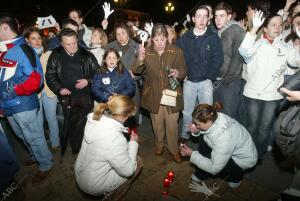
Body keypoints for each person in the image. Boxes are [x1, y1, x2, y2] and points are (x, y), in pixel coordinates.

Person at [239, 12, 300, 160]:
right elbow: (244, 51)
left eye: (280, 25)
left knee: (264, 129)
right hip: (252, 94)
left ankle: (258, 155)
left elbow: (295, 62)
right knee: (252, 127)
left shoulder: (285, 47)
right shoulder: (256, 44)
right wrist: (254, 29)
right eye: (273, 24)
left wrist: (298, 42)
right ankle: (248, 155)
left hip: (273, 97)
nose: (278, 28)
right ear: (265, 28)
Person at [0, 15, 53, 184]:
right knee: (22, 136)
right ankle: (35, 156)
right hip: (8, 106)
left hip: (23, 105)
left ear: (4, 28)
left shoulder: (23, 48)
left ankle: (45, 164)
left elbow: (36, 79)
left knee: (34, 137)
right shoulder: (3, 49)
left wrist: (13, 90)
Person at [132, 23, 186, 162]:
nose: (160, 43)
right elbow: (136, 71)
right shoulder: (147, 51)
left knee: (172, 124)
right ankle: (159, 144)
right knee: (157, 123)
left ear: (167, 38)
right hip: (153, 93)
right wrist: (140, 58)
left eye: (162, 39)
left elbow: (184, 70)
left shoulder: (176, 51)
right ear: (152, 39)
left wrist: (178, 72)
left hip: (172, 93)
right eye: (156, 40)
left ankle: (174, 150)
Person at [74, 95, 142, 199]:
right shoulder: (115, 139)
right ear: (123, 115)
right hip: (93, 185)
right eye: (128, 115)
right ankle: (112, 196)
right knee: (138, 161)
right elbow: (128, 171)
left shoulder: (94, 118)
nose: (128, 118)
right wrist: (133, 143)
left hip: (80, 171)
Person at [46, 28, 99, 154]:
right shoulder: (56, 55)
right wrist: (59, 88)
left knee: (85, 122)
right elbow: (50, 75)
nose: (72, 47)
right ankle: (76, 147)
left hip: (85, 97)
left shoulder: (86, 55)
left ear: (77, 40)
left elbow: (98, 73)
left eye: (74, 43)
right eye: (68, 44)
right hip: (67, 98)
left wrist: (88, 81)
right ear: (61, 44)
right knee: (71, 123)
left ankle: (82, 147)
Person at [180, 104, 257, 188]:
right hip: (228, 146)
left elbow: (214, 168)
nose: (195, 125)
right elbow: (207, 132)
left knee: (217, 165)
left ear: (209, 121)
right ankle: (201, 173)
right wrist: (196, 131)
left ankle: (236, 177)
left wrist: (192, 155)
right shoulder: (215, 116)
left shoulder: (224, 140)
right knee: (203, 141)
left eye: (198, 124)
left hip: (243, 159)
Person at [176, 5, 223, 141]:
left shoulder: (213, 38)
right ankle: (185, 135)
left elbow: (218, 58)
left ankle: (206, 139)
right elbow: (177, 57)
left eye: (205, 16)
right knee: (187, 112)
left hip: (205, 82)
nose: (201, 19)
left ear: (208, 19)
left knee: (206, 113)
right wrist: (182, 73)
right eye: (198, 16)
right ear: (193, 18)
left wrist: (210, 77)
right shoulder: (185, 38)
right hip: (189, 82)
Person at [23, 27, 60, 152]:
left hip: (50, 92)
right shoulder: (25, 56)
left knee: (52, 118)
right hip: (34, 94)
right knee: (37, 123)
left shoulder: (49, 54)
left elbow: (56, 72)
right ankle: (43, 147)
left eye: (39, 38)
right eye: (33, 38)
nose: (37, 41)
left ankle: (55, 143)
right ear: (27, 40)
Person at [213, 2, 246, 121]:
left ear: (229, 16)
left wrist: (221, 79)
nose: (218, 19)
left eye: (222, 16)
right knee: (221, 115)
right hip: (225, 80)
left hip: (229, 82)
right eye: (216, 16)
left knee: (229, 118)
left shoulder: (233, 31)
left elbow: (232, 59)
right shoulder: (223, 31)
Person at [107, 22, 141, 127]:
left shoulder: (137, 47)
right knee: (115, 117)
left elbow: (143, 67)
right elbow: (104, 66)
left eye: (123, 33)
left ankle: (131, 139)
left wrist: (136, 74)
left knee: (131, 116)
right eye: (118, 34)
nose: (120, 36)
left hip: (131, 87)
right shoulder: (110, 47)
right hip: (114, 87)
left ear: (128, 33)